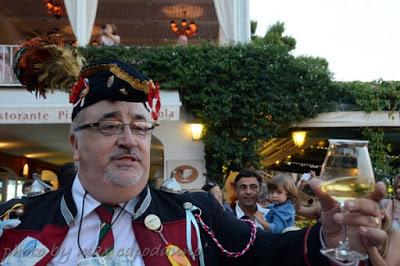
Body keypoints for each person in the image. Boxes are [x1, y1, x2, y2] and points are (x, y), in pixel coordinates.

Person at [0, 37, 390, 265]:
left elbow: (269, 254)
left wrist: (328, 238)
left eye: (140, 126)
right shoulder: (12, 224)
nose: (128, 139)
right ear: (75, 144)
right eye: (108, 125)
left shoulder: (198, 215)